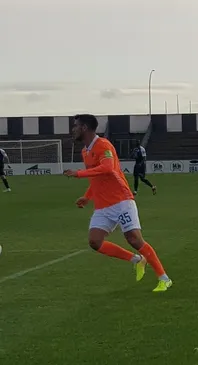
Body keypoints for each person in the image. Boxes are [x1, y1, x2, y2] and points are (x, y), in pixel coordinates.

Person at [64, 114, 172, 292]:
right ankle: (137, 260)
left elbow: (107, 168)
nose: (73, 129)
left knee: (134, 239)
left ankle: (164, 278)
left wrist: (78, 174)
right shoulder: (85, 151)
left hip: (121, 201)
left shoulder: (103, 145)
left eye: (75, 126)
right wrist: (87, 196)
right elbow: (97, 178)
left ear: (84, 128)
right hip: (102, 206)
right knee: (94, 242)